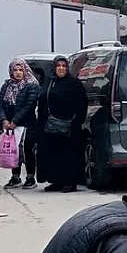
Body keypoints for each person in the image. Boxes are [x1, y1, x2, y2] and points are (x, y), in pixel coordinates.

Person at [36, 57, 89, 193]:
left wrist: (76, 121)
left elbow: (82, 103)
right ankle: (56, 181)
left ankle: (69, 182)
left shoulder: (73, 83)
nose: (61, 68)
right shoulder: (50, 82)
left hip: (69, 127)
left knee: (68, 155)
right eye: (58, 66)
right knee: (53, 154)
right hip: (50, 126)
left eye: (64, 66)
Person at [0, 57, 40, 189]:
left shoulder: (31, 85)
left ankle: (30, 177)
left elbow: (29, 105)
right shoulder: (7, 86)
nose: (18, 73)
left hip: (27, 124)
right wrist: (4, 120)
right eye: (15, 70)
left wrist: (16, 121)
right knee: (13, 150)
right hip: (10, 125)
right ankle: (15, 177)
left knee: (27, 150)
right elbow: (0, 104)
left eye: (21, 70)